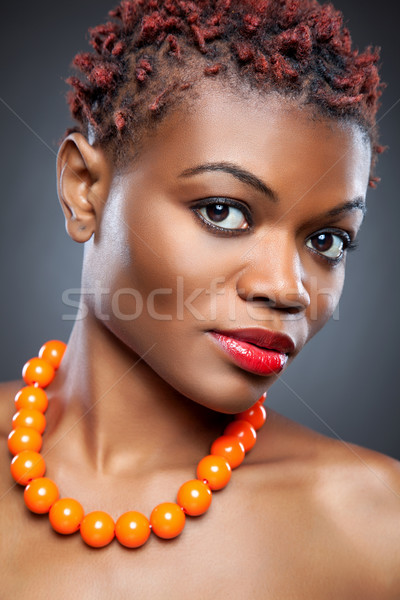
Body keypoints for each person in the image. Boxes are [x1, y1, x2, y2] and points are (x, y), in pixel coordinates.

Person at [1, 0, 399, 597]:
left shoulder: (374, 524)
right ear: (84, 190)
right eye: (224, 211)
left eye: (327, 239)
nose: (287, 288)